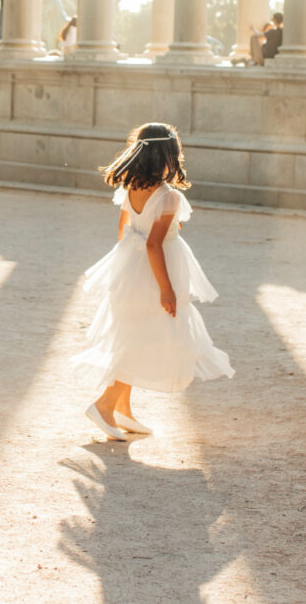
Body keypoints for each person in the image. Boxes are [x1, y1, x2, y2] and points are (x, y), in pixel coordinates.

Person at [73, 121, 234, 440]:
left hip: (132, 269)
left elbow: (125, 231)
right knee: (143, 340)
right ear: (167, 157)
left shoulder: (130, 187)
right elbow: (152, 243)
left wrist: (125, 267)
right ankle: (104, 406)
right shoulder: (168, 197)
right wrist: (166, 289)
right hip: (154, 272)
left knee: (133, 334)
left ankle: (123, 410)